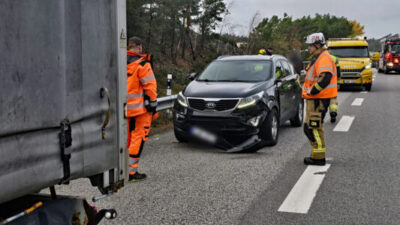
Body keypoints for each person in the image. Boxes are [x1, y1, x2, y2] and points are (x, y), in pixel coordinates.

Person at [126, 37, 158, 182]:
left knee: (126, 140)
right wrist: (153, 104)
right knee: (138, 139)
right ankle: (131, 173)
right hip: (141, 110)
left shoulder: (121, 62)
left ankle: (123, 169)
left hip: (124, 110)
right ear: (139, 47)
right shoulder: (142, 64)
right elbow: (150, 87)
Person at [302, 32, 337, 166]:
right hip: (315, 99)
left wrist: (313, 90)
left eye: (310, 46)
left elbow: (326, 77)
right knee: (309, 127)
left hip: (318, 99)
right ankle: (316, 154)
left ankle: (318, 157)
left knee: (314, 128)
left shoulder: (323, 58)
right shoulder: (318, 57)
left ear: (317, 45)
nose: (308, 48)